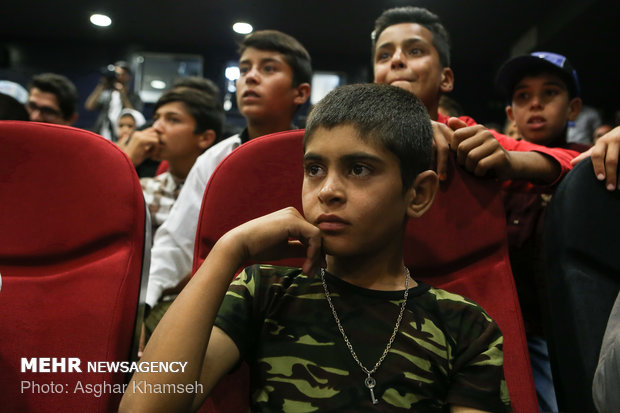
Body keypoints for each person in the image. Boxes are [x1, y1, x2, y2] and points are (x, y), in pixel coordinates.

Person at [120, 83, 510, 413]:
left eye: (359, 169)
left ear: (418, 194)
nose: (328, 192)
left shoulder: (464, 326)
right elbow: (145, 407)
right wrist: (229, 250)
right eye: (314, 169)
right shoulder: (264, 292)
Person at [142, 29, 311, 337]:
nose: (250, 77)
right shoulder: (215, 158)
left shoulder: (319, 154)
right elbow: (177, 242)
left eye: (268, 68)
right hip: (223, 302)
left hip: (306, 298)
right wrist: (145, 304)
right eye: (245, 69)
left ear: (300, 93)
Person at [371, 6, 582, 185]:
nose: (396, 60)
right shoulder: (351, 132)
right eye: (384, 55)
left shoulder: (464, 135)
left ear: (446, 79)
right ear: (375, 80)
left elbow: (572, 161)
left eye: (415, 51)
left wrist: (509, 161)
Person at [495, 50, 590, 412]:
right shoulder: (493, 170)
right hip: (513, 334)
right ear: (510, 115)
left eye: (549, 93)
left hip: (577, 334)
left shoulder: (597, 165)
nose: (535, 104)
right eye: (523, 96)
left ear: (574, 108)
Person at [135, 88, 224, 235]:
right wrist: (127, 158)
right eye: (156, 118)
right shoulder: (143, 190)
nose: (156, 127)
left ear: (205, 138)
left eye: (173, 119)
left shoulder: (219, 194)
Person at [85, 60, 143, 141]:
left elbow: (134, 116)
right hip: (102, 133)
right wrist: (102, 85)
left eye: (121, 74)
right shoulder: (107, 93)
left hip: (123, 136)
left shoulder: (134, 96)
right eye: (116, 74)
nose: (118, 76)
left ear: (129, 77)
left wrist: (123, 95)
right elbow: (89, 106)